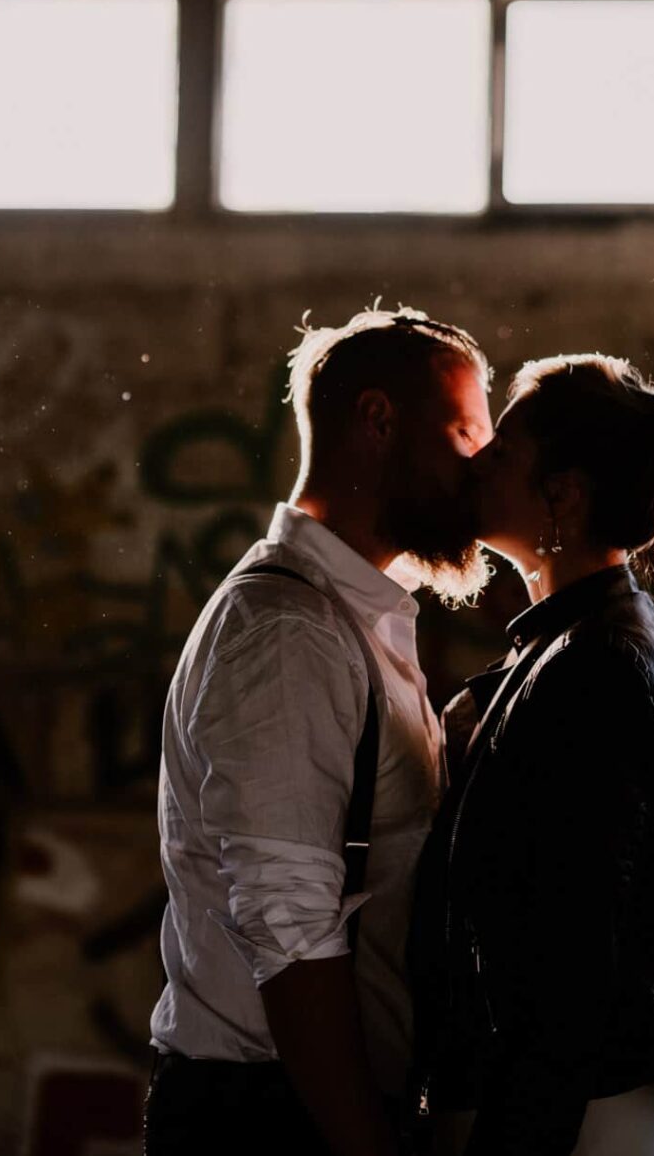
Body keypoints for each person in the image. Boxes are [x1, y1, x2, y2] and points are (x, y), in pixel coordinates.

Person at [146, 306, 494, 1156]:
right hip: (270, 1117)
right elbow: (290, 931)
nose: (479, 473)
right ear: (377, 421)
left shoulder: (348, 617)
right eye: (463, 434)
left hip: (301, 1104)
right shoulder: (289, 632)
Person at [410, 353, 654, 1156]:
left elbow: (571, 966)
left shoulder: (594, 669)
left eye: (500, 452)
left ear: (561, 495)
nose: (476, 463)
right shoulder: (575, 646)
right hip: (565, 1109)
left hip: (563, 1123)